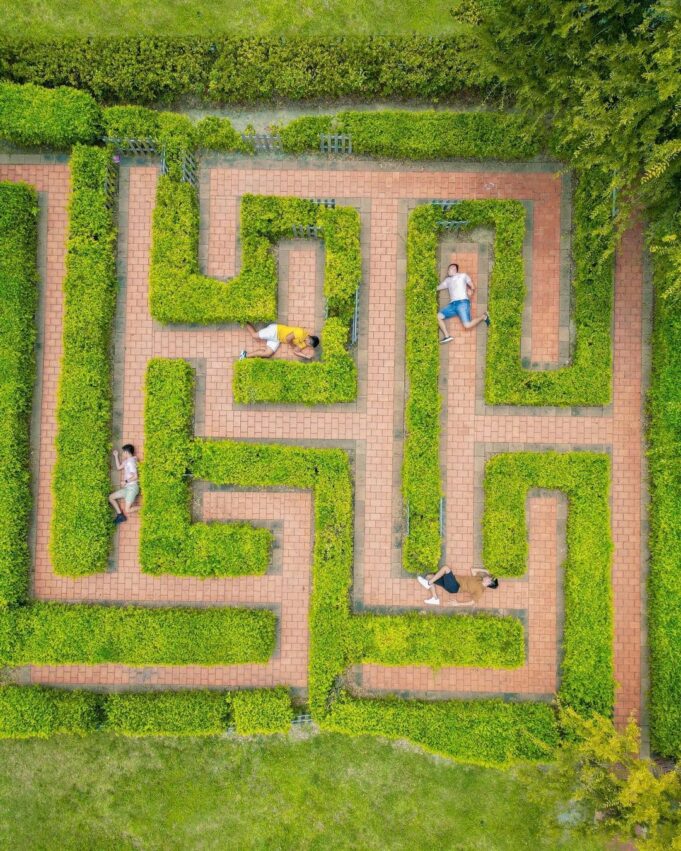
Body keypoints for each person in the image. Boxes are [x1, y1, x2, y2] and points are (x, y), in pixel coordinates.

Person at [437, 262, 490, 343]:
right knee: (438, 316)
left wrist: (471, 291)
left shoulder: (463, 276)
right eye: (448, 269)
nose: (449, 270)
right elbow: (438, 288)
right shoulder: (447, 280)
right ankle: (447, 336)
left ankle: (483, 316)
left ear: (454, 269)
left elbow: (472, 286)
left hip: (462, 303)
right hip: (452, 305)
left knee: (467, 325)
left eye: (450, 268)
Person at [417, 565, 498, 606]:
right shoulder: (480, 578)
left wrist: (458, 603)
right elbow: (473, 570)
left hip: (455, 586)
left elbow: (473, 602)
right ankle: (435, 599)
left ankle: (428, 583)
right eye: (489, 576)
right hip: (451, 580)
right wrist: (486, 571)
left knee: (446, 568)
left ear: (489, 584)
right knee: (429, 576)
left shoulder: (480, 590)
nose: (487, 576)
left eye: (489, 578)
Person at [240, 323, 320, 360]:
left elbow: (295, 351)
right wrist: (292, 346)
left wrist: (305, 356)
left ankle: (245, 355)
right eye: (309, 345)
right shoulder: (300, 332)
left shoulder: (304, 343)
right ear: (309, 340)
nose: (307, 346)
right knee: (254, 336)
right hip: (275, 331)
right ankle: (242, 319)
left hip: (277, 339)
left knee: (268, 354)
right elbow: (288, 339)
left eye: (309, 346)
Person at [108, 444, 139, 525]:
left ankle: (145, 508)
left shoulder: (131, 462)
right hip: (127, 488)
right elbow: (118, 467)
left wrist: (125, 481)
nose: (122, 454)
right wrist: (116, 456)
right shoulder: (127, 461)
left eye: (123, 452)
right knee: (111, 497)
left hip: (132, 488)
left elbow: (135, 476)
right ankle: (120, 515)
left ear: (126, 452)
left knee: (128, 510)